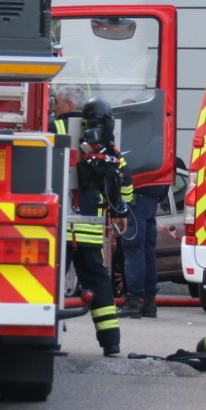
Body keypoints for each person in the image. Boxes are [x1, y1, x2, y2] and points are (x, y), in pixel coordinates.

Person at [52, 85, 132, 356]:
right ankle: (111, 342)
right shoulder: (108, 142)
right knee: (98, 282)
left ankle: (49, 337)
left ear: (67, 105)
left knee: (49, 282)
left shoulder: (52, 129)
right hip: (89, 228)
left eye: (57, 101)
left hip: (58, 224)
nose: (53, 105)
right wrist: (121, 212)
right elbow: (124, 181)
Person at [118, 169, 170, 319]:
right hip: (152, 197)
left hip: (136, 198)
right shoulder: (159, 151)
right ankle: (149, 303)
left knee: (133, 248)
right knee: (147, 251)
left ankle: (134, 302)